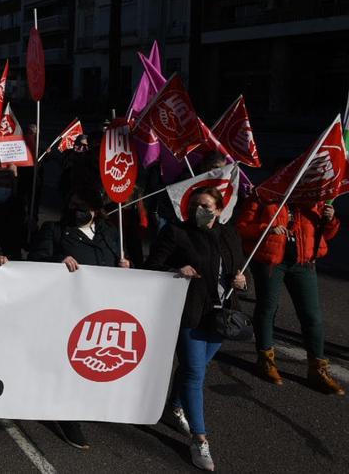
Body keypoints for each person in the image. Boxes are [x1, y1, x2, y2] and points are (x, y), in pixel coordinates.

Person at [147, 188, 249, 472]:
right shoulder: (176, 233)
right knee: (194, 373)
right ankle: (199, 439)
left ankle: (174, 405)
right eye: (194, 206)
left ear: (218, 209)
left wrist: (242, 281)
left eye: (205, 205)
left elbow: (239, 269)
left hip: (221, 317)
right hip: (190, 312)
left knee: (196, 367)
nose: (198, 210)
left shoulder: (229, 234)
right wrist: (177, 270)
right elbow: (152, 265)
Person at [28, 189, 129, 450]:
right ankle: (67, 417)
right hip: (66, 308)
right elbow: (34, 261)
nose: (76, 211)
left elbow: (120, 268)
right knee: (67, 361)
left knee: (91, 361)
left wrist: (125, 269)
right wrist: (57, 260)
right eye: (72, 205)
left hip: (100, 310)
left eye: (81, 206)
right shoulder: (54, 230)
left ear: (95, 211)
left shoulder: (109, 234)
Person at [235, 192, 342, 395]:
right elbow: (242, 228)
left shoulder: (313, 199)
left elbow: (324, 235)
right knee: (268, 308)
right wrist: (267, 229)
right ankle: (265, 360)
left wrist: (330, 220)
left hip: (303, 263)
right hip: (270, 262)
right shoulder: (263, 195)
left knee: (312, 316)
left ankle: (317, 369)